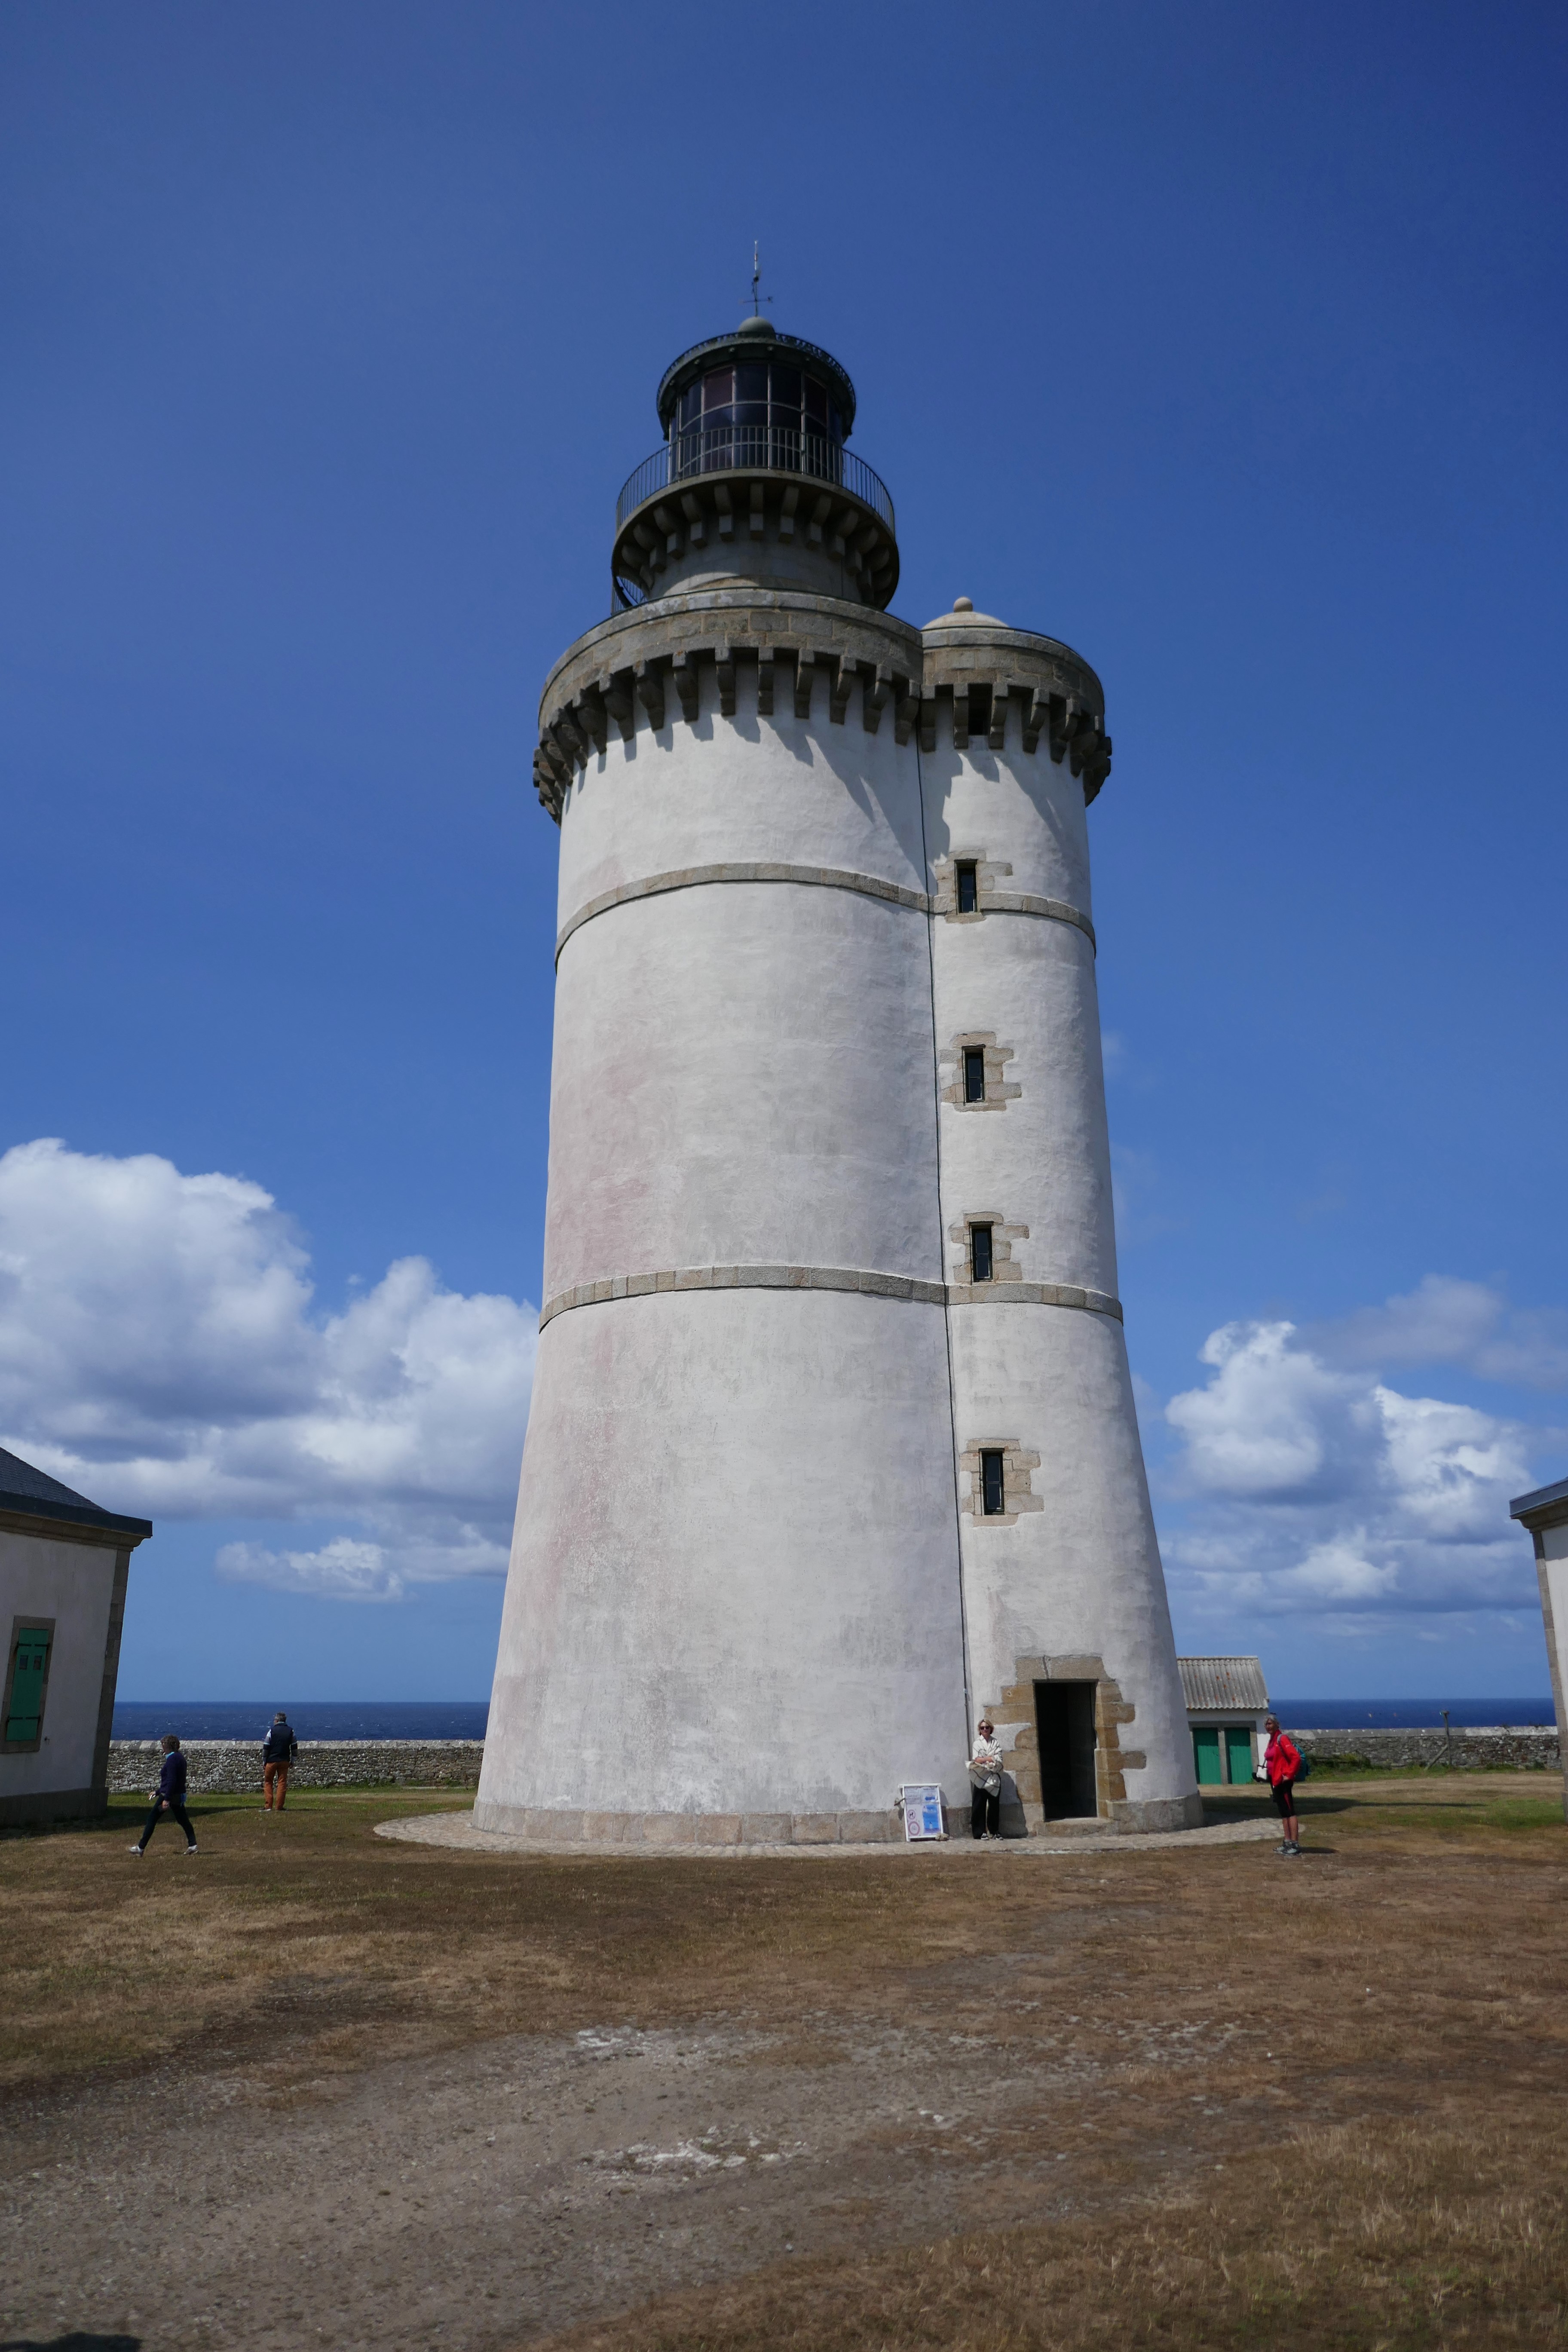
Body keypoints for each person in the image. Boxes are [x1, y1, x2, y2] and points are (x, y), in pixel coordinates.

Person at [129, 1734, 198, 1856]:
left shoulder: (172, 1760)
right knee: (183, 1820)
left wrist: (166, 1799)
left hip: (170, 1796)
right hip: (179, 1795)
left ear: (168, 1746)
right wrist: (157, 1792)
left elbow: (171, 1781)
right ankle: (193, 1845)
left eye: (163, 1746)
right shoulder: (180, 1758)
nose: (162, 1748)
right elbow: (173, 1781)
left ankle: (140, 1848)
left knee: (152, 1818)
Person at [1263, 1713, 1303, 1856]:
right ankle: (1287, 1842)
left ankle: (1295, 1844)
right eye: (1266, 1724)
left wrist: (1289, 1775)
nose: (1268, 1726)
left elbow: (1296, 1758)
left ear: (1277, 1724)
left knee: (1290, 1812)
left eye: (1270, 1724)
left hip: (1283, 1781)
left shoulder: (1282, 1739)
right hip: (1275, 1781)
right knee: (1284, 1812)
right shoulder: (1272, 1740)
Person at [969, 1716, 1004, 1840]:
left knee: (994, 1806)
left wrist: (986, 1759)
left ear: (991, 1729)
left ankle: (994, 1831)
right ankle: (979, 1832)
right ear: (980, 1730)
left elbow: (999, 1759)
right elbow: (977, 1759)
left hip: (994, 1777)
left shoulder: (996, 1743)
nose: (985, 1729)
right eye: (982, 1728)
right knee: (979, 1805)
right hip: (981, 1776)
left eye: (987, 1727)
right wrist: (990, 1758)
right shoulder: (977, 1744)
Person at [262, 1710, 298, 1811]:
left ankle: (268, 1806)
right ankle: (279, 1807)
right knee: (282, 1783)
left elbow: (266, 1746)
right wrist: (293, 1760)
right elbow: (294, 1747)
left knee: (268, 1782)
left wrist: (264, 1760)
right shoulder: (291, 1731)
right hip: (284, 1760)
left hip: (272, 1760)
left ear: (277, 1720)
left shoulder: (272, 1731)